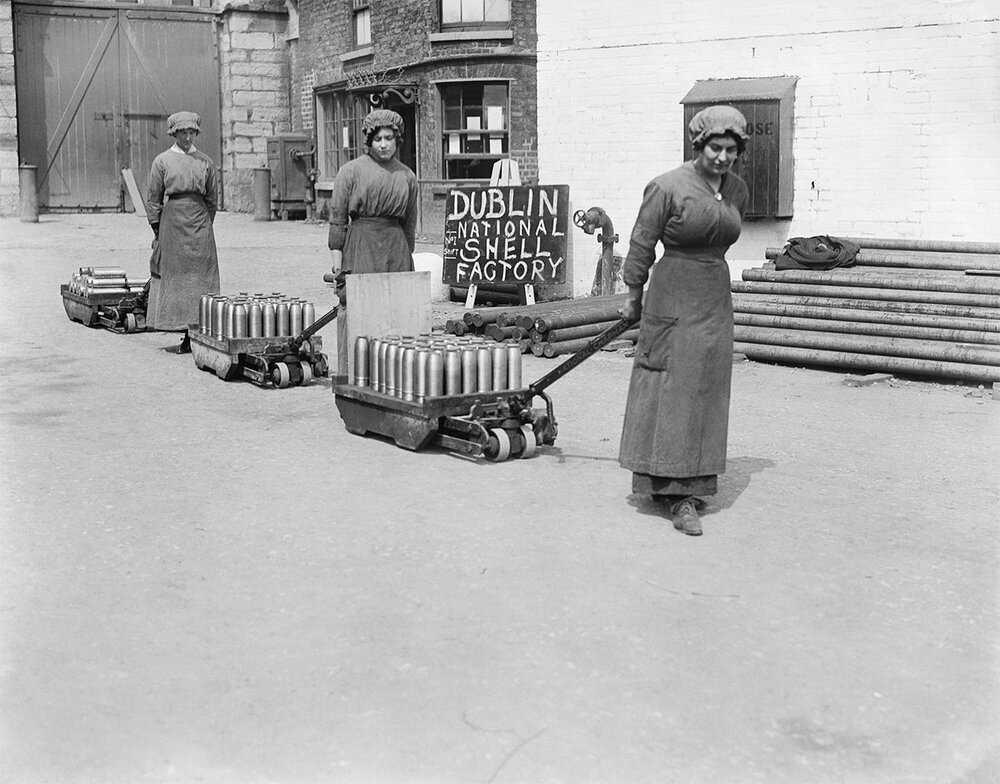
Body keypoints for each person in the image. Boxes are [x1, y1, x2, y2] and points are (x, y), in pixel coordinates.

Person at [618, 105, 750, 536]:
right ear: (699, 144)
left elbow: (724, 233)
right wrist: (633, 294)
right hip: (672, 295)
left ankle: (695, 483)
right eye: (716, 147)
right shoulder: (667, 187)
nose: (723, 157)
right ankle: (673, 494)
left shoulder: (738, 191)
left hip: (714, 297)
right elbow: (641, 243)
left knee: (707, 388)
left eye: (731, 149)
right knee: (672, 388)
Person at [328, 108, 419, 375]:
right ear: (369, 139)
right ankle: (353, 374)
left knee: (397, 313)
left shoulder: (407, 177)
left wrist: (406, 259)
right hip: (360, 247)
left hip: (396, 251)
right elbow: (337, 223)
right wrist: (338, 268)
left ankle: (395, 376)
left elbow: (409, 226)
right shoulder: (350, 172)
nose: (383, 144)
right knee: (357, 310)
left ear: (397, 140)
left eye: (389, 138)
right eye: (378, 138)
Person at [145, 110, 220, 353]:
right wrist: (158, 229)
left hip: (200, 225)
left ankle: (198, 333)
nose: (188, 138)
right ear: (174, 134)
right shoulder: (162, 162)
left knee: (201, 277)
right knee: (176, 277)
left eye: (191, 133)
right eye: (183, 133)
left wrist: (204, 225)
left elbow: (212, 200)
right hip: (172, 225)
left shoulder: (205, 162)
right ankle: (180, 328)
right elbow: (154, 199)